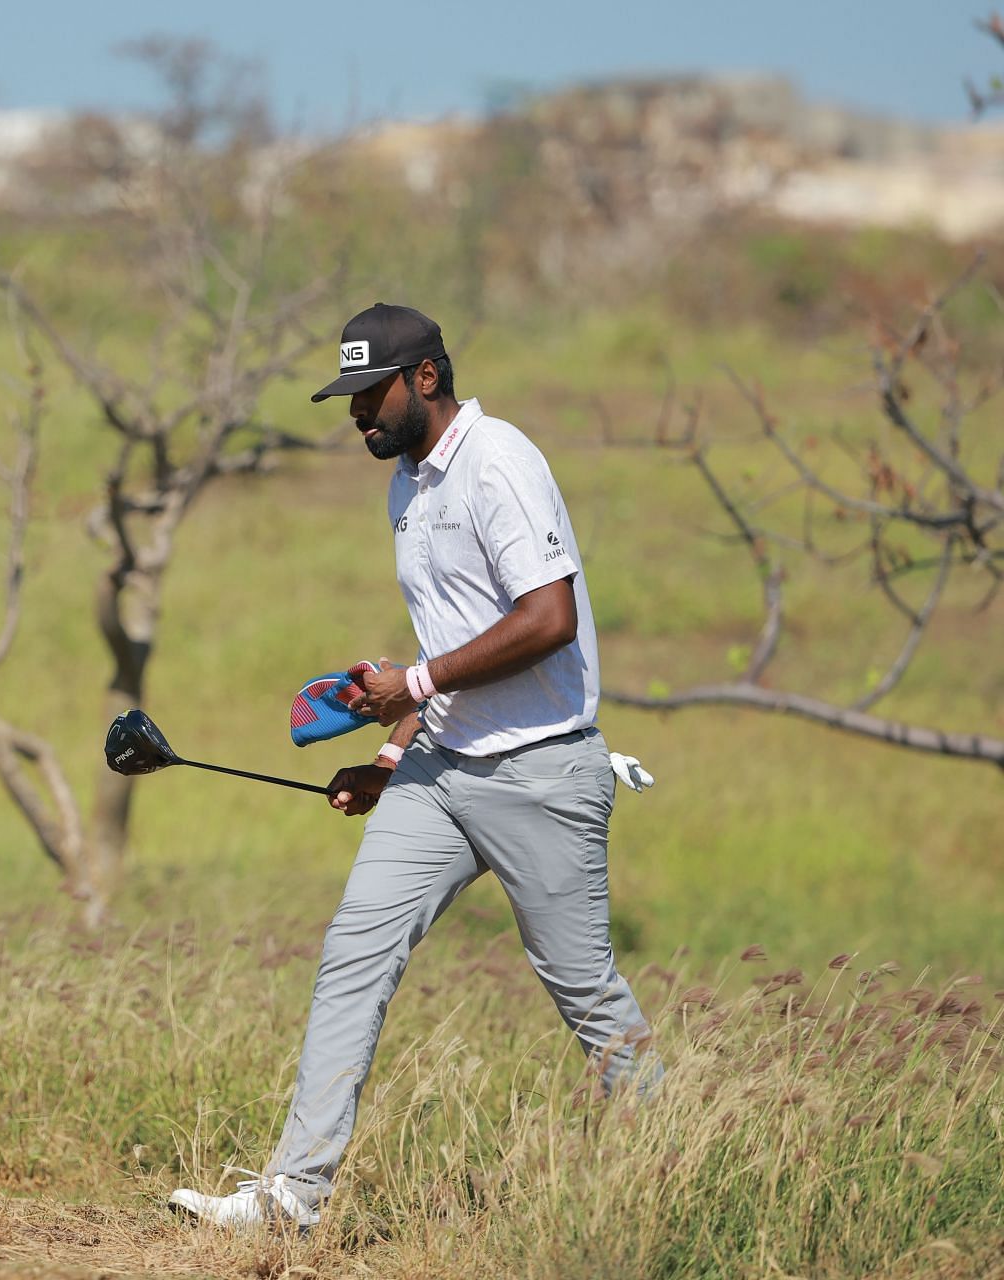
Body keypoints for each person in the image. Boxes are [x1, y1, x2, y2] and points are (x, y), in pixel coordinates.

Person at [169, 303, 665, 1232]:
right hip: (442, 768)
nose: (357, 413)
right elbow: (447, 644)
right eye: (349, 398)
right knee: (354, 955)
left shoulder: (500, 462)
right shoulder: (407, 483)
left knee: (585, 990)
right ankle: (290, 1199)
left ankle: (679, 1169)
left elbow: (547, 618)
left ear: (424, 378)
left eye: (369, 394)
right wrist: (391, 754)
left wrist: (417, 682)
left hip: (543, 774)